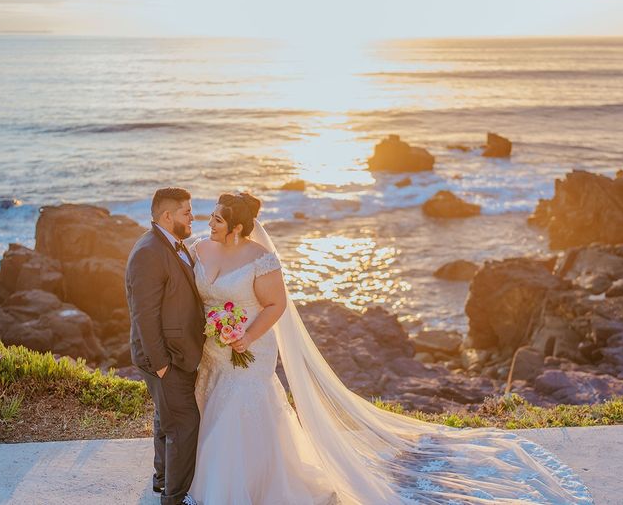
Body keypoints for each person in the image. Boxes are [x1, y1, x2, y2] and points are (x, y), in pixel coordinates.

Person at [187, 191, 594, 504]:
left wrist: (247, 336)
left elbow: (276, 305)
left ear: (237, 227)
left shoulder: (260, 259)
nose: (210, 223)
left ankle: (237, 490)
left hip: (251, 348)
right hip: (215, 349)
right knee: (215, 407)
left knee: (239, 410)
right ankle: (231, 480)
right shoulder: (201, 248)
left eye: (217, 219)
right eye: (211, 217)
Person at [126, 187, 205, 505]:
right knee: (184, 425)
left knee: (165, 418)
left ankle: (162, 479)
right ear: (168, 216)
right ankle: (175, 497)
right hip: (164, 357)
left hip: (176, 354)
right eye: (187, 212)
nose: (193, 216)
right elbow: (144, 315)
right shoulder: (149, 251)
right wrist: (160, 363)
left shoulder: (174, 245)